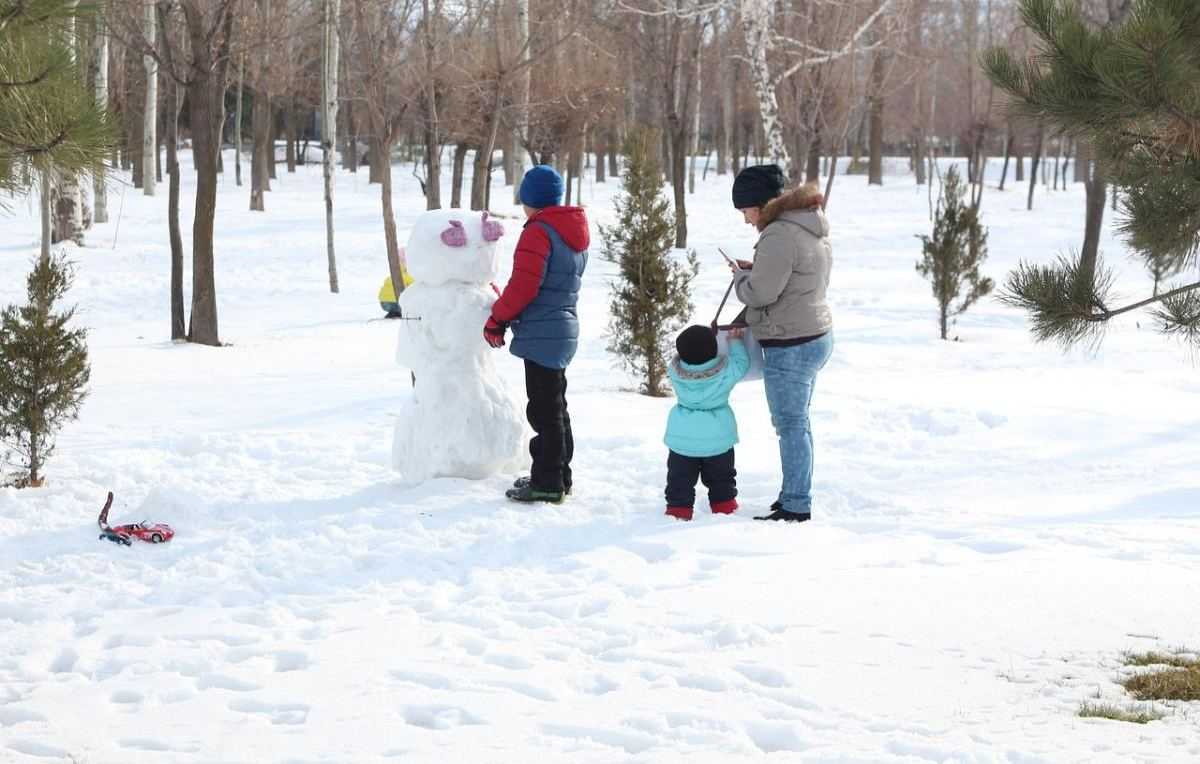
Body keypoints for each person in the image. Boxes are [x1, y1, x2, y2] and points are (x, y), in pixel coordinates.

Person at [727, 164, 833, 523]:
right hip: (814, 333)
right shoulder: (806, 223)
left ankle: (796, 504)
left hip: (792, 342)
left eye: (745, 211)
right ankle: (794, 493)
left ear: (759, 204)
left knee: (790, 425)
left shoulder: (778, 235)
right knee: (797, 423)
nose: (745, 220)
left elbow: (760, 293)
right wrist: (756, 268)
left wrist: (744, 279)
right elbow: (792, 275)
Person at [484, 165, 589, 504]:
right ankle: (560, 475)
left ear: (529, 200)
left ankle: (547, 482)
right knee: (555, 407)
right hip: (562, 327)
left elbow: (525, 285)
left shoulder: (539, 231)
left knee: (545, 411)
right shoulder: (571, 230)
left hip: (544, 331)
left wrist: (497, 318)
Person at [663, 325, 751, 521]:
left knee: (679, 478)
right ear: (714, 350)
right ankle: (724, 506)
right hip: (717, 439)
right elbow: (742, 363)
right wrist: (734, 342)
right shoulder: (726, 372)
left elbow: (679, 359)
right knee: (721, 478)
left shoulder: (675, 372)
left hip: (683, 441)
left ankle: (678, 510)